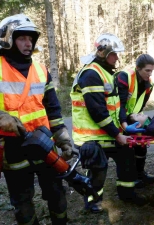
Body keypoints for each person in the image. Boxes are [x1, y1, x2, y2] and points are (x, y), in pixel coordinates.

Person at [0, 14, 73, 225]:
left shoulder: (41, 70)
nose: (28, 43)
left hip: (44, 143)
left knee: (56, 191)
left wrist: (64, 139)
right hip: (14, 147)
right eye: (22, 38)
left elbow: (53, 109)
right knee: (22, 199)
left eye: (31, 39)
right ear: (8, 39)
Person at [70, 33, 145, 213]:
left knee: (127, 160)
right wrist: (118, 135)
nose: (117, 58)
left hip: (109, 132)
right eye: (114, 54)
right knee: (98, 170)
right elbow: (97, 111)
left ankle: (127, 194)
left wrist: (125, 126)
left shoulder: (108, 73)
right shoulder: (91, 74)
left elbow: (116, 104)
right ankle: (92, 202)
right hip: (92, 137)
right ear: (103, 53)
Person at [116, 54, 154, 188]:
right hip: (120, 120)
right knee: (128, 152)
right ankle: (132, 178)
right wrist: (125, 124)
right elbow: (119, 105)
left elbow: (141, 104)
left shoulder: (149, 84)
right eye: (147, 70)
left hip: (133, 119)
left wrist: (137, 118)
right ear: (138, 68)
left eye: (152, 70)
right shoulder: (124, 77)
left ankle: (140, 173)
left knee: (141, 146)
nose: (150, 74)